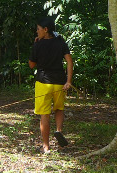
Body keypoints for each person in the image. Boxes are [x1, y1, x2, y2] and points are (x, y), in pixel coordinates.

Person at [28, 18, 74, 154]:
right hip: (60, 83)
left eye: (38, 29)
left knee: (44, 115)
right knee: (59, 109)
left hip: (43, 83)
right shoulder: (61, 42)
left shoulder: (38, 44)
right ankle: (58, 131)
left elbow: (31, 65)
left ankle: (46, 146)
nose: (37, 32)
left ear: (45, 29)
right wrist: (68, 81)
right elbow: (69, 62)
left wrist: (35, 48)